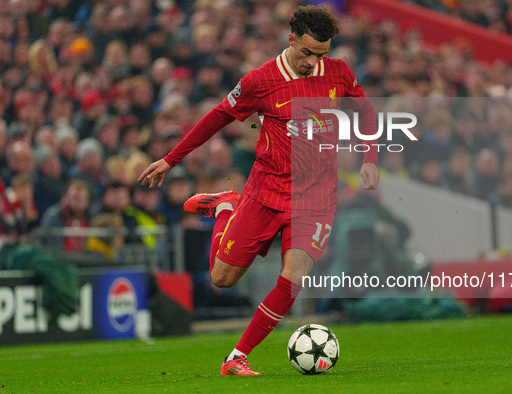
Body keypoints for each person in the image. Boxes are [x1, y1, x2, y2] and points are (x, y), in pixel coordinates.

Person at [138, 5, 379, 376]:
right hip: (266, 192)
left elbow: (366, 112)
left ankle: (236, 356)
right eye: (307, 53)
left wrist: (370, 157)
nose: (313, 62)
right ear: (291, 40)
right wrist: (172, 159)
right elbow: (218, 115)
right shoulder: (261, 80)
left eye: (321, 54)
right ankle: (224, 209)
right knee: (222, 279)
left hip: (315, 197)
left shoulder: (339, 73)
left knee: (294, 275)